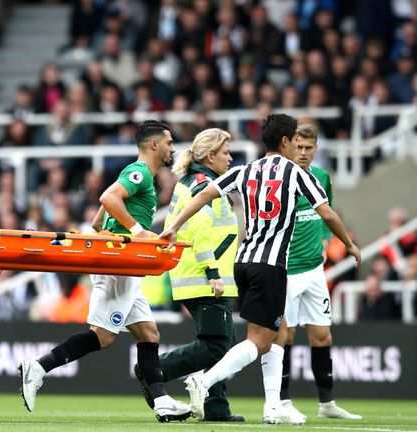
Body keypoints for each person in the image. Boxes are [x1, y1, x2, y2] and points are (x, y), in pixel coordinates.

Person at [159, 113, 361, 424]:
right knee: (261, 340)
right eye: (295, 141)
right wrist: (347, 243)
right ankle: (204, 381)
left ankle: (273, 407)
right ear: (285, 142)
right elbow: (328, 214)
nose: (298, 147)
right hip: (270, 266)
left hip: (243, 262)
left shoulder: (246, 170)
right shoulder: (295, 173)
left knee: (278, 333)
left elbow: (203, 195)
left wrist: (173, 226)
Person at [18, 120, 192, 423]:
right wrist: (138, 232)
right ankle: (38, 367)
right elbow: (107, 199)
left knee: (149, 332)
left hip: (125, 264)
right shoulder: (138, 173)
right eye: (169, 142)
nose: (172, 148)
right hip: (120, 265)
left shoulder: (139, 177)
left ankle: (162, 401)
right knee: (103, 336)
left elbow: (100, 219)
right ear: (154, 144)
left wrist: (110, 231)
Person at [134, 128, 243, 422]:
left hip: (202, 275)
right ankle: (154, 371)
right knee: (216, 346)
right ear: (210, 156)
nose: (230, 159)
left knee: (223, 347)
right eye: (225, 153)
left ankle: (215, 408)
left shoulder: (194, 182)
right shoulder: (204, 185)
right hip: (205, 278)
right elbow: (197, 232)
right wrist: (213, 272)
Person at [272, 124, 362, 420]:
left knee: (322, 336)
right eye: (298, 147)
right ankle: (282, 402)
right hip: (287, 270)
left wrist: (325, 237)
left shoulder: (322, 178)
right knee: (285, 336)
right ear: (289, 145)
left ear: (316, 149)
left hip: (314, 270)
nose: (303, 153)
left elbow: (328, 211)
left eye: (308, 148)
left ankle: (326, 404)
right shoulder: (282, 179)